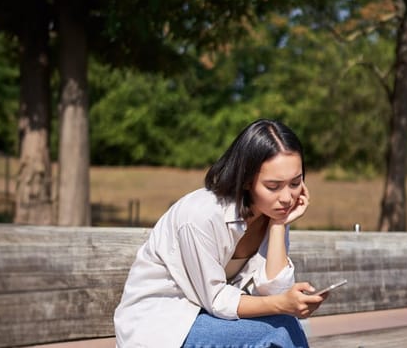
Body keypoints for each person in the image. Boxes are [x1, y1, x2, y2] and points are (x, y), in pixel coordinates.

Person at [114, 119, 324, 348]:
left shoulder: (273, 212)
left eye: (295, 183)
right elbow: (218, 300)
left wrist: (278, 225)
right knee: (280, 331)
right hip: (165, 324)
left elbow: (275, 293)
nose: (287, 198)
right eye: (273, 186)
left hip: (212, 318)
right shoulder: (201, 215)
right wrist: (282, 304)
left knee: (283, 326)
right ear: (246, 180)